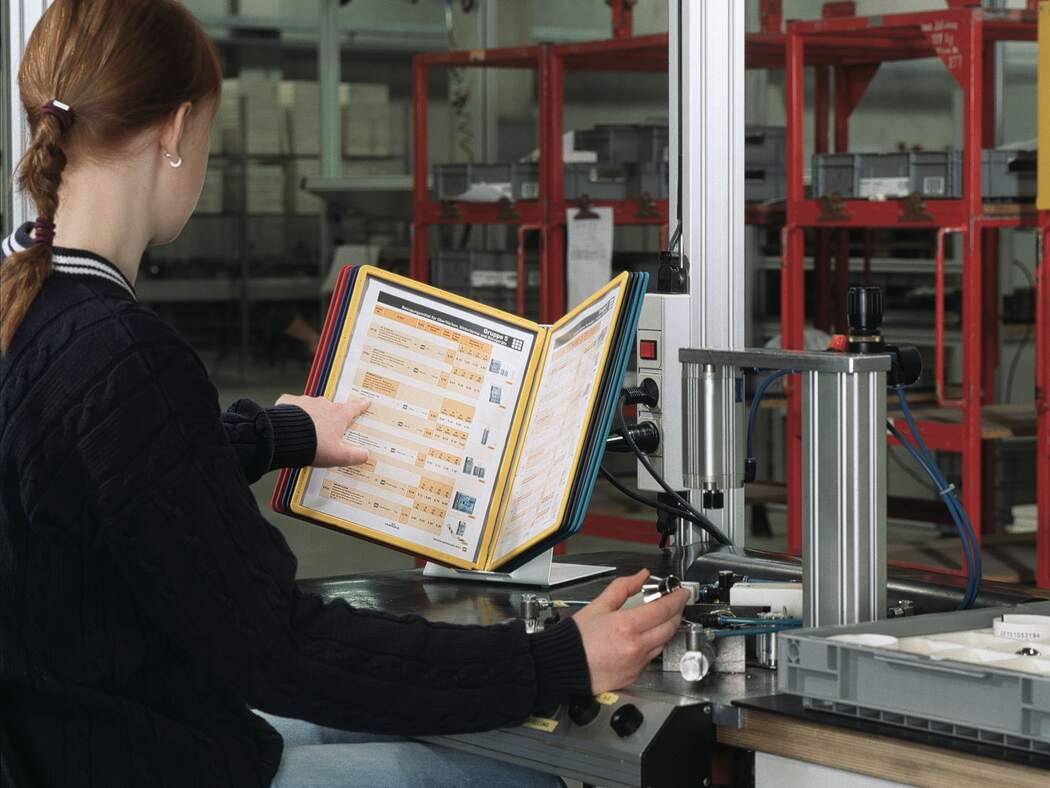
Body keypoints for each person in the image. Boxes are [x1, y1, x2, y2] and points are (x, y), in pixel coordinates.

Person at [0, 2, 687, 787]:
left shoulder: (31, 307)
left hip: (78, 727)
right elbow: (281, 648)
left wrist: (276, 434)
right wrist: (558, 659)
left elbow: (96, 462)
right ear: (178, 130)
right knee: (509, 778)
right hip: (135, 755)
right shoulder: (123, 353)